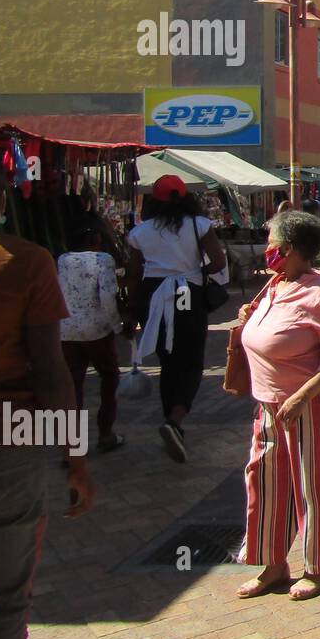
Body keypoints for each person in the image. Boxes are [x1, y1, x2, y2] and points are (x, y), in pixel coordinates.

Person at [0, 142, 94, 639]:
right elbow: (52, 371)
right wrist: (74, 457)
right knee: (4, 598)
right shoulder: (25, 262)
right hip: (7, 436)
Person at [235, 210, 320, 601]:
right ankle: (272, 563)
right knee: (265, 481)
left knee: (312, 484)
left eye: (270, 243)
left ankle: (318, 566)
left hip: (311, 405)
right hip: (267, 403)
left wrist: (303, 396)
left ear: (287, 249)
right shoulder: (274, 285)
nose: (266, 249)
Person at [126, 175, 228, 463]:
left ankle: (171, 420)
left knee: (168, 362)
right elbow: (219, 262)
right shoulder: (199, 225)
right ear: (185, 197)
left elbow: (133, 275)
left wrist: (131, 311)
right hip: (188, 294)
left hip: (154, 296)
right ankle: (176, 419)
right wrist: (194, 271)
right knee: (192, 361)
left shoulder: (141, 232)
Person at [58, 222, 125, 452]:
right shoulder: (102, 260)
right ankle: (105, 433)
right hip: (97, 331)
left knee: (73, 384)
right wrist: (117, 326)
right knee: (109, 378)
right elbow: (108, 299)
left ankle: (72, 444)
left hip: (67, 331)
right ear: (95, 241)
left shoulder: (62, 260)